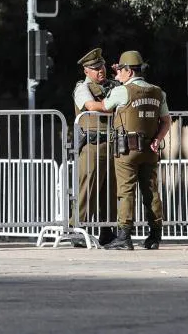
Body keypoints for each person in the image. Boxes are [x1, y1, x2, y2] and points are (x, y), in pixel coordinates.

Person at [96, 50, 172, 250]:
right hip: (150, 149)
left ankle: (124, 236)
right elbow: (166, 121)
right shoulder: (157, 91)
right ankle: (155, 236)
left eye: (121, 69)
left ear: (129, 71)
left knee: (126, 191)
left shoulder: (123, 91)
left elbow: (105, 106)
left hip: (127, 149)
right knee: (151, 192)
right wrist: (157, 139)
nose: (118, 73)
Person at [72, 48, 118, 246]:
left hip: (113, 144)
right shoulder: (83, 87)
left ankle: (108, 231)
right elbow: (91, 106)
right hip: (93, 145)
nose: (101, 70)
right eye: (95, 67)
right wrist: (113, 104)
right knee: (88, 189)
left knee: (111, 191)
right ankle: (77, 230)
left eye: (103, 66)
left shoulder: (113, 86)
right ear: (86, 71)